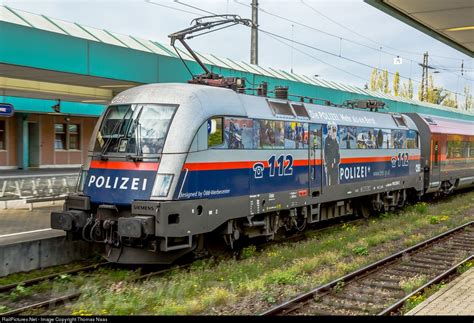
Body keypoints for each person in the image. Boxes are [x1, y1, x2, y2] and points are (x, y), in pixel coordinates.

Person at [324, 122, 340, 186]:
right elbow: (326, 152)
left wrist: (336, 162)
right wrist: (327, 162)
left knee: (335, 181)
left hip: (335, 165)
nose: (332, 132)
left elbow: (337, 154)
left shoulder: (336, 141)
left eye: (334, 130)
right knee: (329, 181)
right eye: (330, 129)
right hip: (329, 164)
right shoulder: (327, 140)